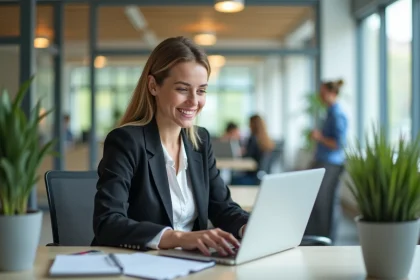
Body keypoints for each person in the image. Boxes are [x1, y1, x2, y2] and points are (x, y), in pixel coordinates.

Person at [91, 36, 249, 257]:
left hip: (192, 264)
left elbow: (222, 208)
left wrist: (249, 227)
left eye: (201, 90)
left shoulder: (200, 142)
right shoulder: (126, 141)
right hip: (140, 263)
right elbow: (107, 222)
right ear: (153, 86)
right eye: (183, 89)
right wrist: (180, 238)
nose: (194, 101)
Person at [305, 79, 348, 244]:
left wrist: (319, 137)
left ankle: (327, 240)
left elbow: (338, 144)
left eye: (323, 93)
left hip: (332, 164)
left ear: (332, 93)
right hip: (323, 162)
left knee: (326, 203)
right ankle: (320, 237)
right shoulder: (330, 112)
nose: (320, 96)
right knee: (319, 202)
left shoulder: (337, 114)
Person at [231, 114, 275, 185]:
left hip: (252, 177)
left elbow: (247, 157)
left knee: (233, 179)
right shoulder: (267, 140)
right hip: (262, 177)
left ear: (252, 125)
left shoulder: (253, 139)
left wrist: (242, 153)